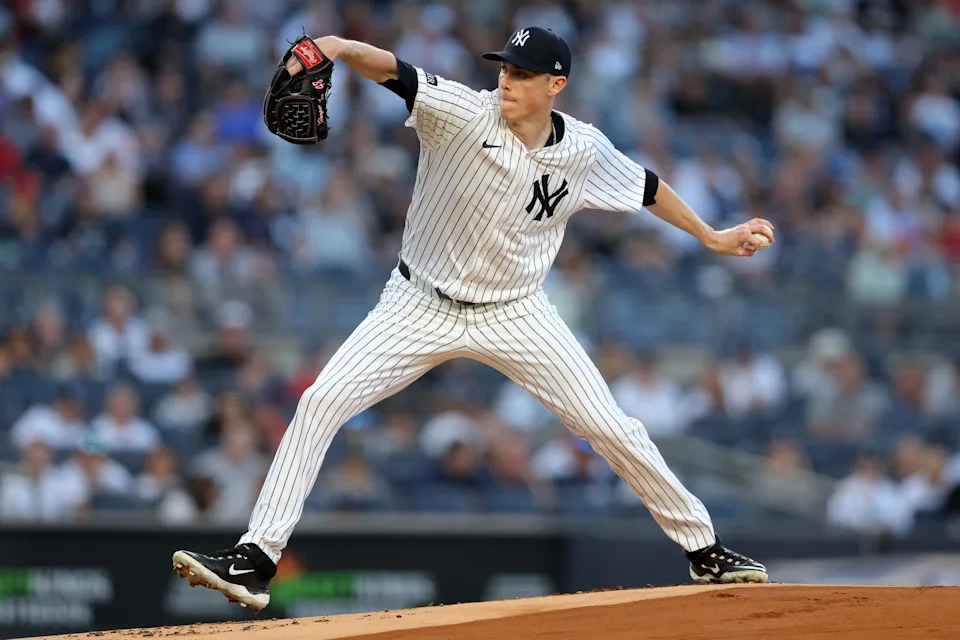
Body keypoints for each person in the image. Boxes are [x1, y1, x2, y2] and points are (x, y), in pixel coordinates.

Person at [173, 27, 773, 610]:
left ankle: (704, 548)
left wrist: (711, 235)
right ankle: (257, 557)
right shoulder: (462, 111)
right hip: (418, 305)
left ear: (556, 85)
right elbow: (391, 70)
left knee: (615, 428)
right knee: (319, 402)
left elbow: (645, 186)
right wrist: (333, 47)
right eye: (505, 69)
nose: (506, 81)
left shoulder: (582, 148)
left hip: (517, 311)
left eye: (522, 74)